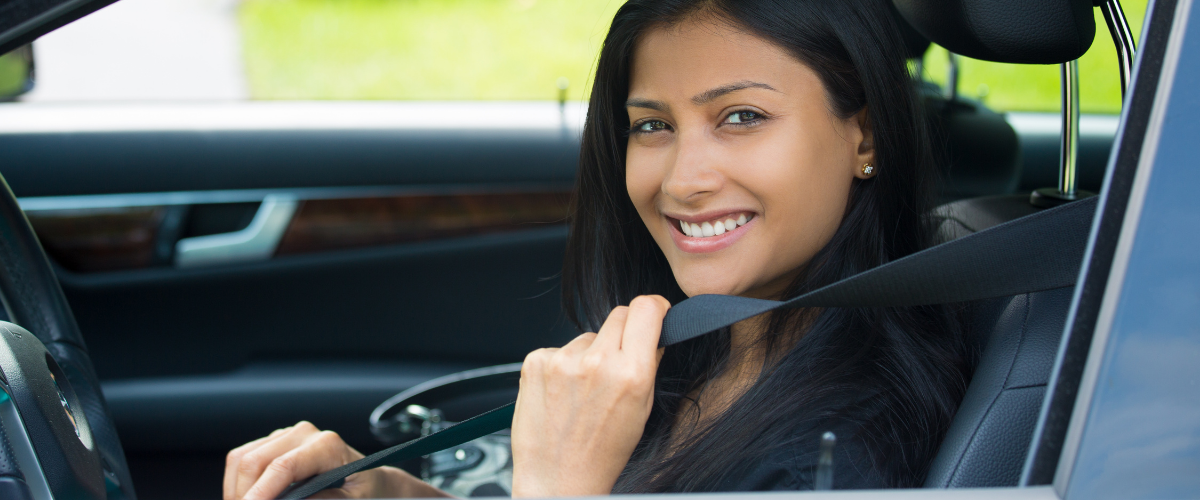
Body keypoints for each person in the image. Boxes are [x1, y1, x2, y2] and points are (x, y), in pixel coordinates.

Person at [223, 0, 972, 497]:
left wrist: (559, 484)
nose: (683, 179)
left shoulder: (848, 457)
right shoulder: (712, 349)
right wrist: (386, 491)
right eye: (652, 126)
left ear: (864, 136)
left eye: (741, 116)